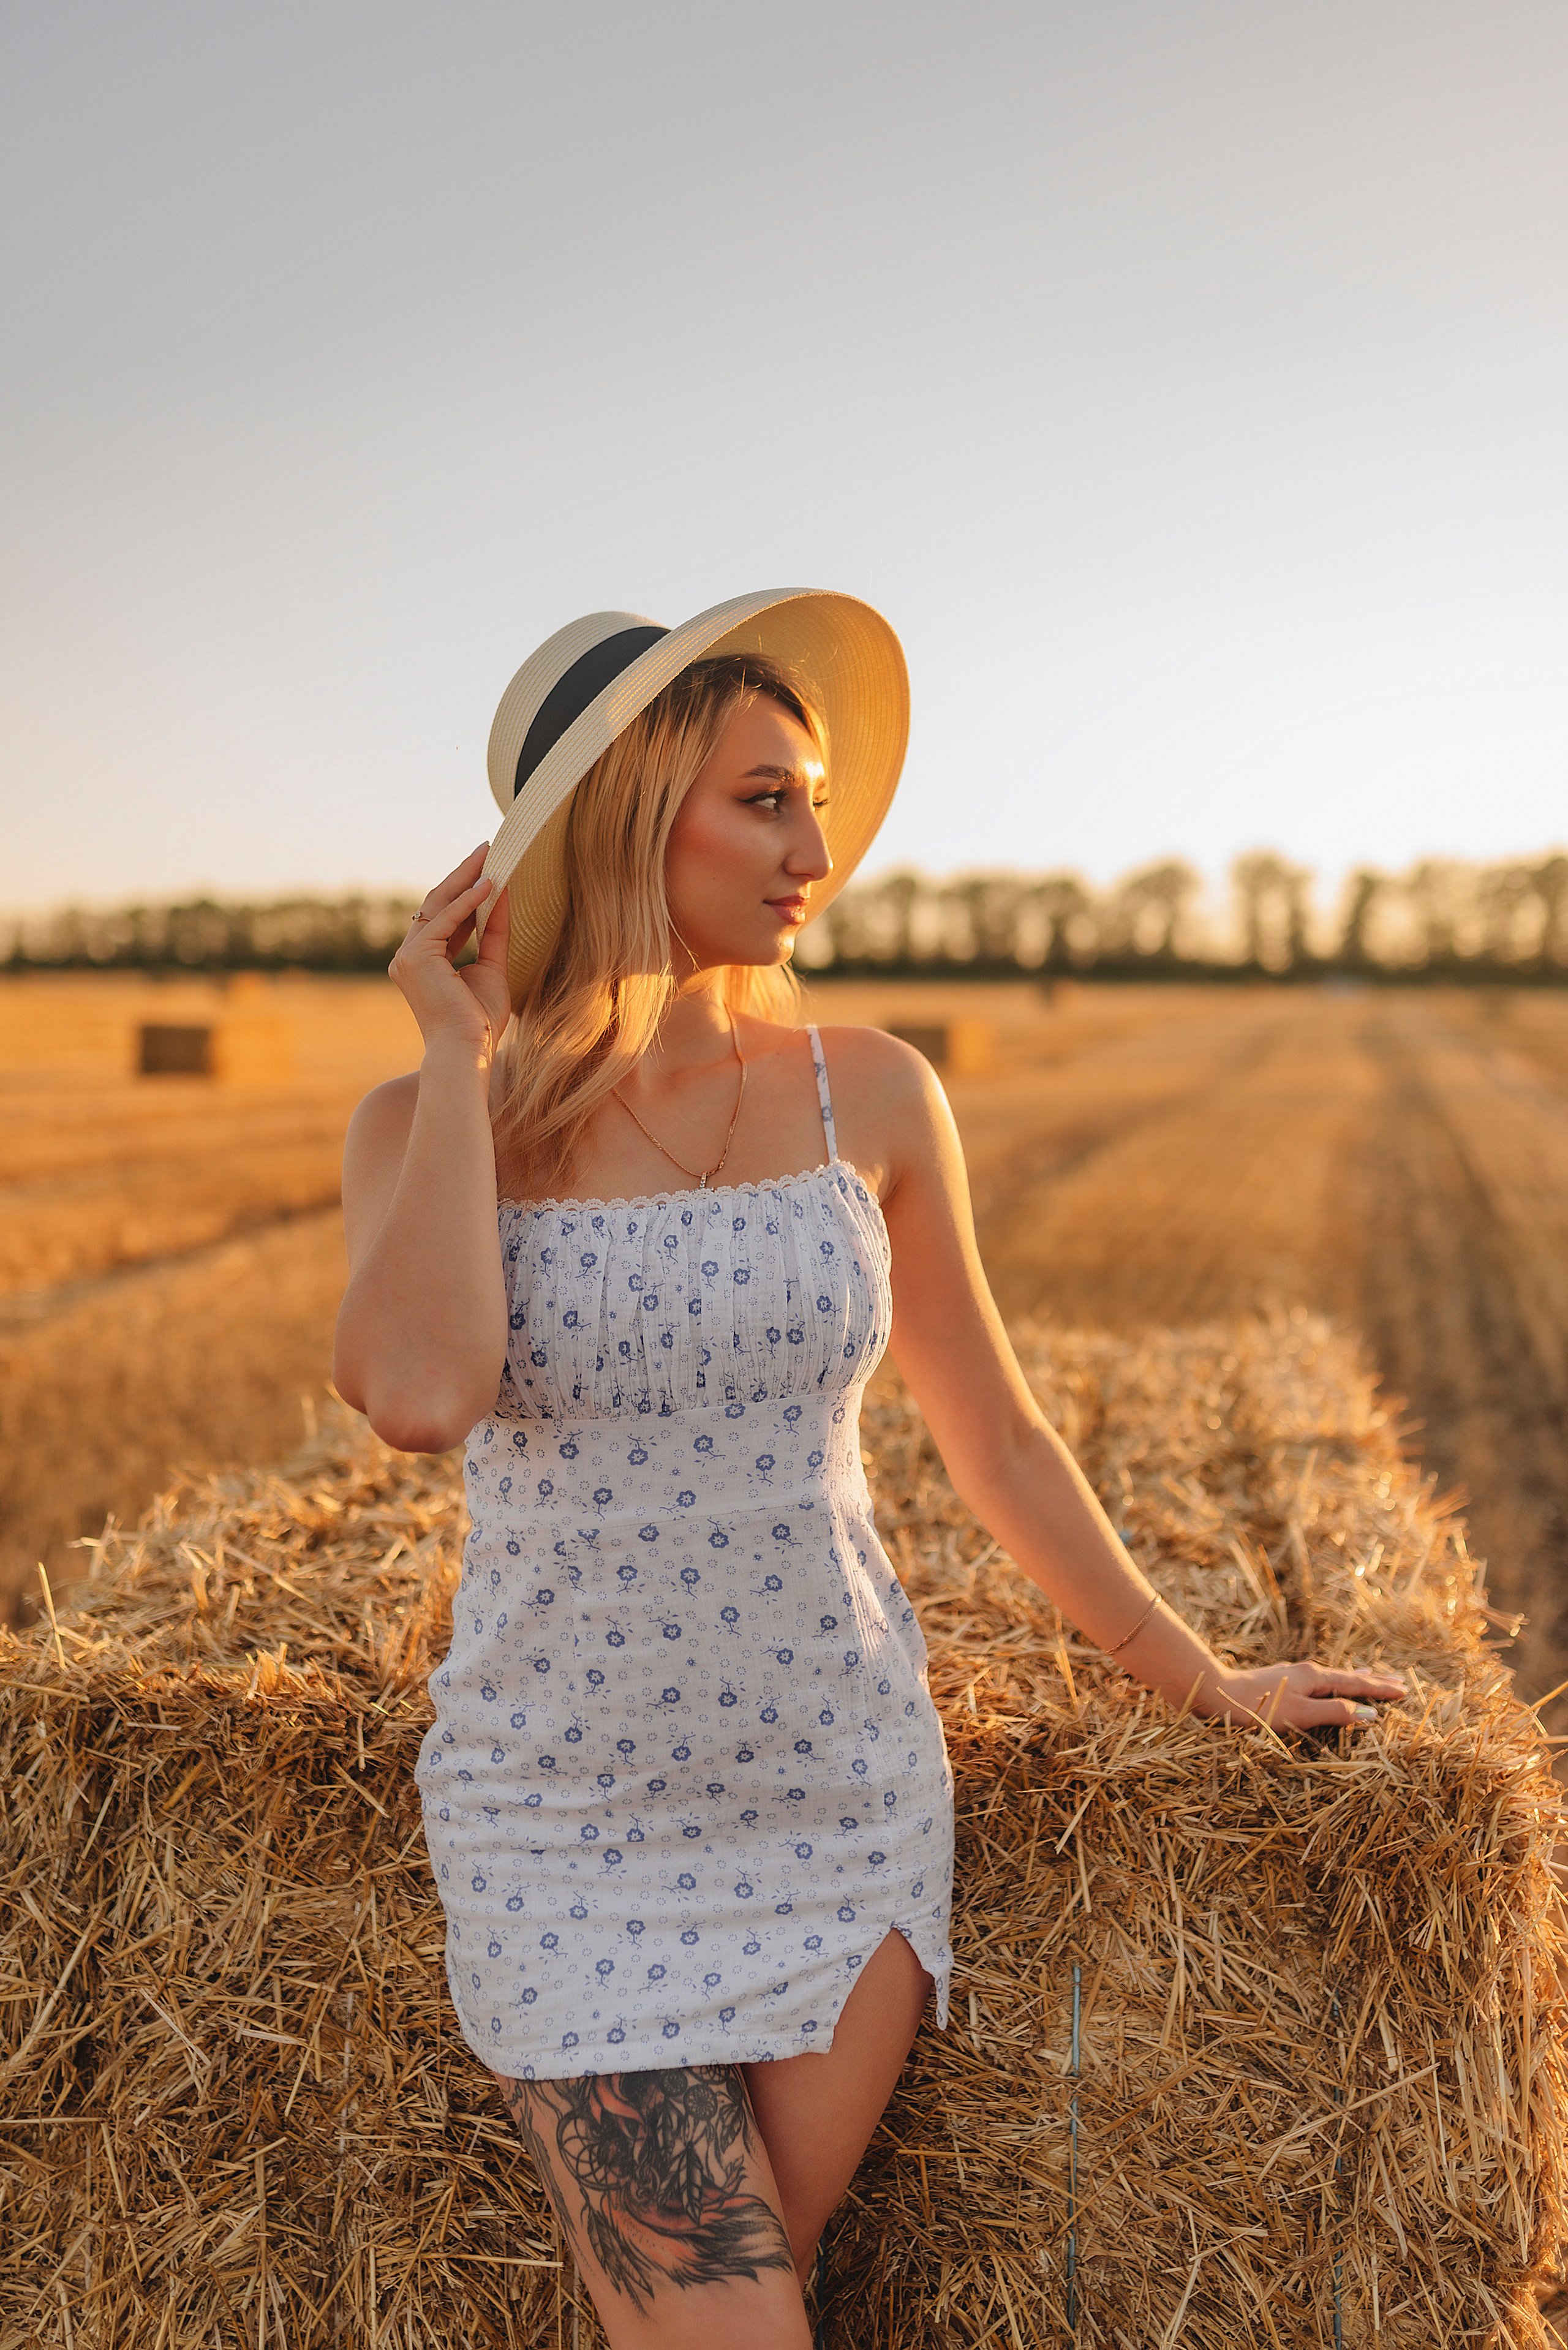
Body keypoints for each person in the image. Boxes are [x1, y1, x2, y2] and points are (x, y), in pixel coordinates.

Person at [333, 589, 1405, 2350]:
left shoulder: (876, 1096)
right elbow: (424, 1394)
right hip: (568, 1826)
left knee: (745, 2313)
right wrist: (458, 1058)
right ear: (627, 812)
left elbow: (994, 1429)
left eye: (815, 799)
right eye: (764, 799)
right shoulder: (427, 1128)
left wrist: (1201, 1679)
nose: (813, 847)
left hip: (837, 1803)